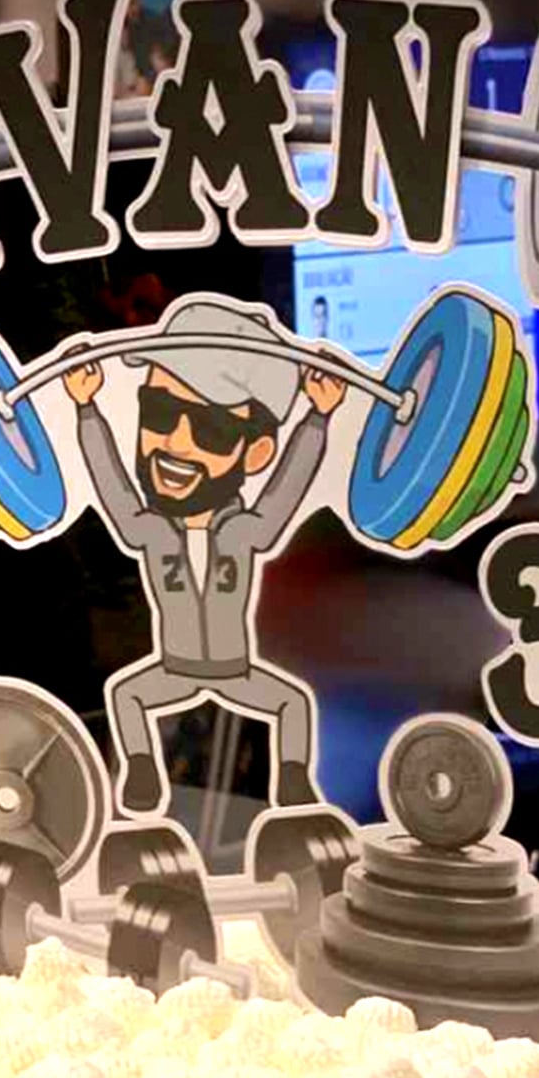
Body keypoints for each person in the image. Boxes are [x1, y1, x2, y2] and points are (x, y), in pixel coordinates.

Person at [62, 300, 345, 814]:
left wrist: (318, 419)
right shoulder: (149, 529)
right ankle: (141, 771)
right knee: (127, 695)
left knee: (292, 702)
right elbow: (110, 481)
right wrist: (86, 410)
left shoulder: (245, 530)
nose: (177, 442)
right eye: (159, 412)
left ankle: (294, 782)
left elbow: (287, 486)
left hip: (237, 670)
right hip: (172, 667)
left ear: (255, 454)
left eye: (212, 429)